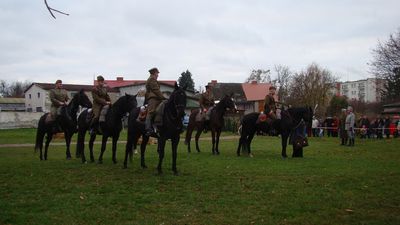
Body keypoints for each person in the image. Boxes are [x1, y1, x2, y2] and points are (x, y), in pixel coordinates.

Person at [144, 67, 166, 137]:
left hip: (157, 98)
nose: (158, 75)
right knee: (151, 112)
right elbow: (156, 90)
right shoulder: (151, 80)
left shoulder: (153, 80)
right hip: (153, 98)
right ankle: (148, 129)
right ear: (154, 73)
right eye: (157, 73)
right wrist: (163, 97)